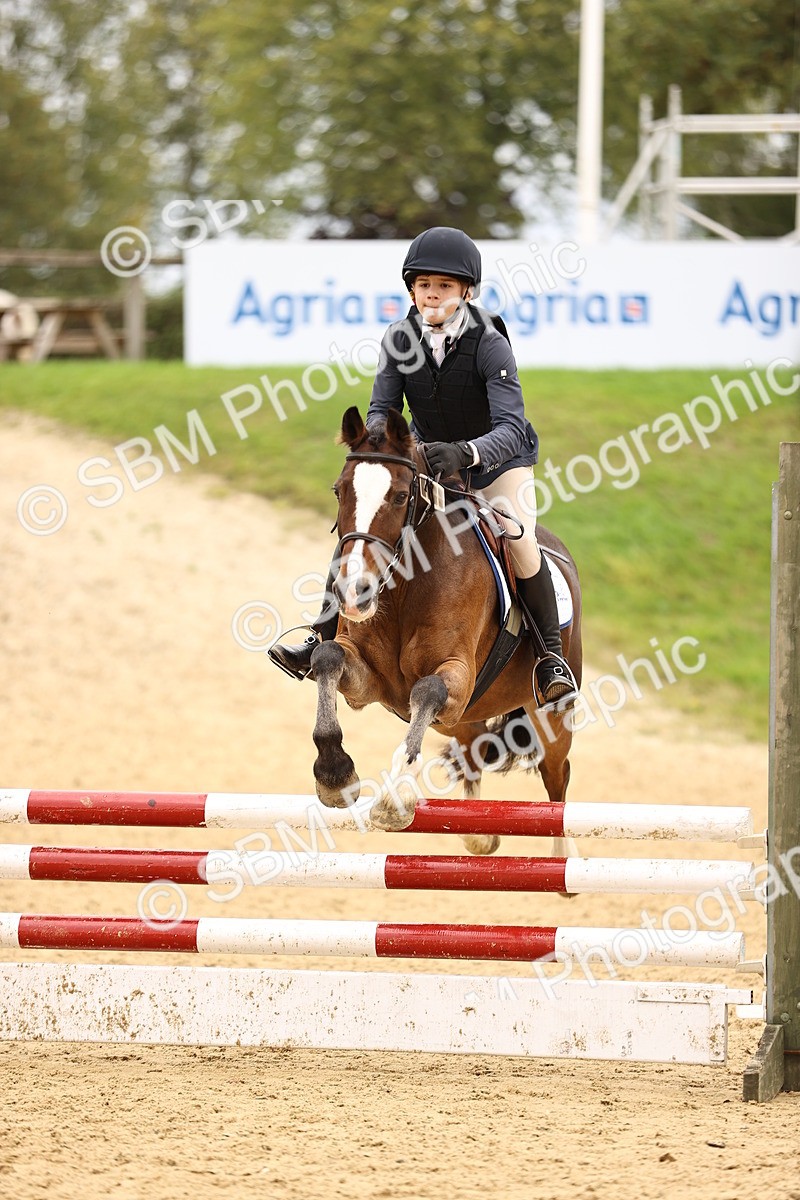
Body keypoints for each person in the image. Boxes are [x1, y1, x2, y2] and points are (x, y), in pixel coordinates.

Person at [269, 226, 578, 707]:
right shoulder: (399, 338)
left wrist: (468, 452)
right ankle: (320, 633)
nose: (433, 295)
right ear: (412, 289)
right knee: (365, 524)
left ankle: (549, 657)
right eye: (425, 286)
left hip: (497, 462)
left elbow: (512, 426)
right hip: (428, 460)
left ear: (466, 291)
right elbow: (381, 406)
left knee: (521, 539)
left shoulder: (489, 342)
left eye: (445, 287)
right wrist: (379, 444)